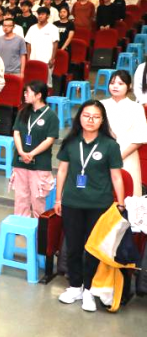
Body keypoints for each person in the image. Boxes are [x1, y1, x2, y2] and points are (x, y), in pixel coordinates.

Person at [55, 100, 125, 312]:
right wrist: (58, 199)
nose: (90, 120)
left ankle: (89, 290)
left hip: (99, 205)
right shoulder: (70, 142)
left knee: (92, 249)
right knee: (73, 247)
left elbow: (116, 176)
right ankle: (75, 286)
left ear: (102, 120)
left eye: (96, 116)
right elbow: (62, 171)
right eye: (86, 115)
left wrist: (121, 204)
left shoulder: (110, 145)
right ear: (80, 117)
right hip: (72, 203)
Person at [11, 81, 59, 217]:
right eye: (24, 92)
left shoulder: (51, 116)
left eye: (28, 92)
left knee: (38, 199)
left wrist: (32, 153)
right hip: (20, 161)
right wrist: (21, 152)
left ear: (38, 95)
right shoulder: (23, 112)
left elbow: (49, 140)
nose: (25, 95)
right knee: (21, 197)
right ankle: (21, 223)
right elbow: (16, 132)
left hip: (40, 163)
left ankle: (39, 227)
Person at [100, 70, 147, 197]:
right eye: (112, 83)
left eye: (120, 83)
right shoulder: (101, 105)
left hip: (128, 155)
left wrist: (119, 157)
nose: (115, 86)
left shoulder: (137, 108)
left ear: (129, 86)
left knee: (128, 195)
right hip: (103, 153)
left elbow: (141, 137)